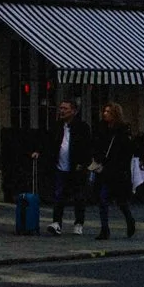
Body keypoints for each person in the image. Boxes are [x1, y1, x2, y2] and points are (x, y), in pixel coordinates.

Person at [40, 98, 94, 236]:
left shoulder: (82, 127)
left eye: (65, 109)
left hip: (76, 167)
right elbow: (49, 143)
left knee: (78, 196)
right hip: (60, 166)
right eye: (61, 108)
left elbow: (87, 148)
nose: (62, 111)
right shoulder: (57, 126)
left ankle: (78, 223)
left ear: (74, 111)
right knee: (59, 195)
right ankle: (57, 223)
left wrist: (83, 164)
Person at [94, 103, 138, 239]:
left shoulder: (123, 130)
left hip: (118, 170)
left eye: (108, 112)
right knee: (103, 198)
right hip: (105, 169)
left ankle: (129, 219)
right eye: (104, 111)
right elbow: (97, 144)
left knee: (121, 201)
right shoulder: (101, 128)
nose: (105, 114)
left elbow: (127, 151)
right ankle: (104, 229)